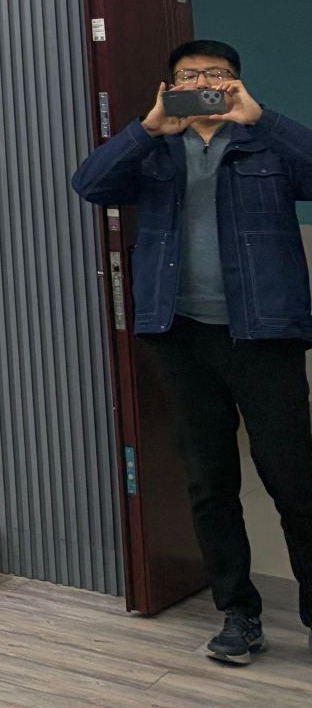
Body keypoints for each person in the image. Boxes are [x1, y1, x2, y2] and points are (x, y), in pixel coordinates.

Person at [71, 39, 312, 666]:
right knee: (209, 483)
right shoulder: (155, 150)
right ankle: (239, 613)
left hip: (265, 338)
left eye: (217, 74)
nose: (204, 83)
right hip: (180, 338)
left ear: (236, 82)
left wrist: (262, 118)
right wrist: (147, 127)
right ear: (170, 86)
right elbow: (89, 184)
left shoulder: (266, 144)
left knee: (294, 480)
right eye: (189, 75)